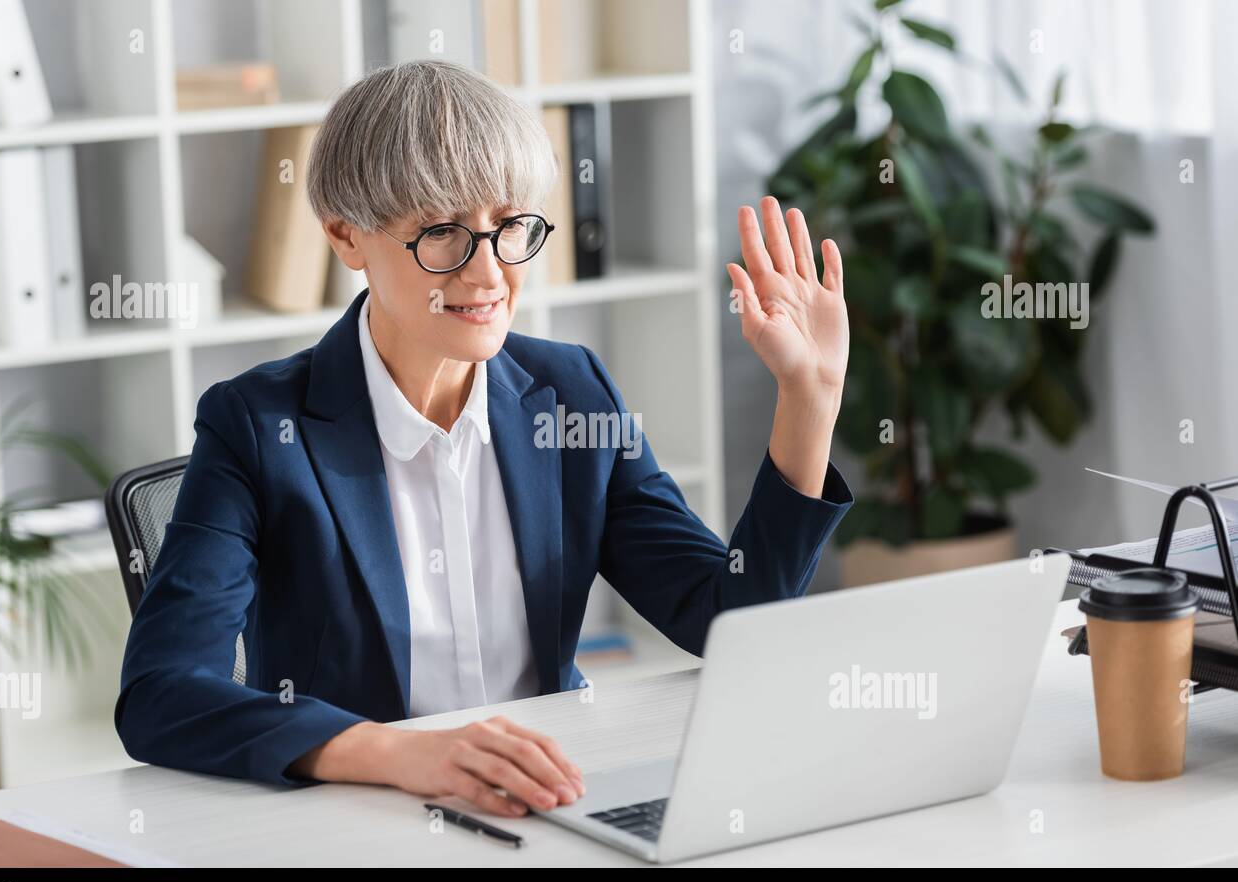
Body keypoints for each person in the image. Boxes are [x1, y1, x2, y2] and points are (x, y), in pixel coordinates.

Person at [115, 60, 853, 819]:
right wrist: (398, 752)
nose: (489, 272)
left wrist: (809, 397)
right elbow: (161, 694)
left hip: (546, 803)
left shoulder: (571, 394)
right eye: (442, 233)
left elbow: (728, 611)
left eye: (510, 227)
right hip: (355, 820)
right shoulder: (256, 427)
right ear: (346, 236)